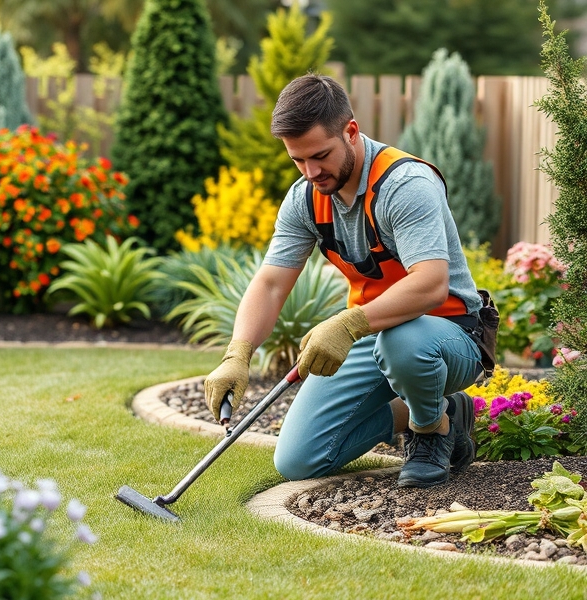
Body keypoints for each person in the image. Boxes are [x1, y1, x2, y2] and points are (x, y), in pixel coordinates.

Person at [203, 74, 486, 488]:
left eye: (319, 155)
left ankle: (430, 432)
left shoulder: (405, 185)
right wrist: (238, 353)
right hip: (371, 332)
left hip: (447, 334)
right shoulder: (305, 197)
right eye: (297, 160)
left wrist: (346, 323)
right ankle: (439, 410)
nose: (310, 171)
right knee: (299, 459)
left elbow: (430, 285)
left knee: (403, 342)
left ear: (351, 131)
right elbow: (271, 284)